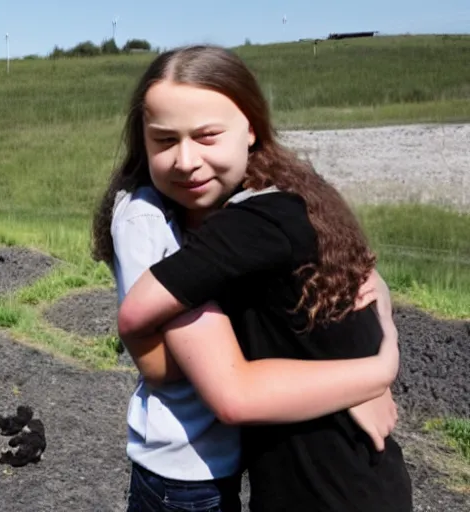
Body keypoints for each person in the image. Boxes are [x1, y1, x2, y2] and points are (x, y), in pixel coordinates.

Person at [92, 45, 411, 512]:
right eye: (165, 140)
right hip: (208, 468)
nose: (186, 160)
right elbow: (212, 380)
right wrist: (369, 377)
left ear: (251, 129)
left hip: (306, 479)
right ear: (143, 139)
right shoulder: (166, 221)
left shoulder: (252, 214)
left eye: (207, 136)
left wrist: (366, 377)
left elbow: (364, 276)